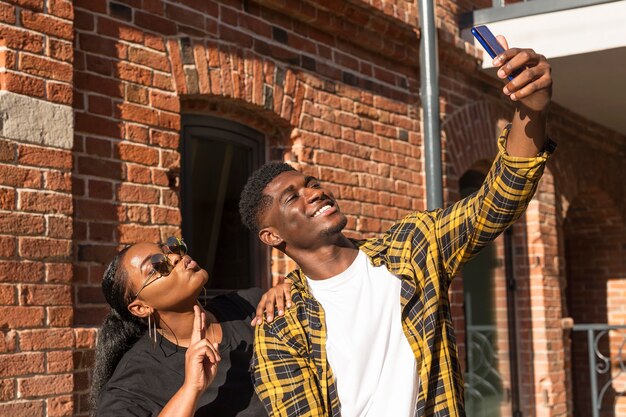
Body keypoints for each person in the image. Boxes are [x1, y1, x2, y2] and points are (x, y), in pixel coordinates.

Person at [240, 37, 556, 417]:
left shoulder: (411, 248)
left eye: (311, 183)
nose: (315, 192)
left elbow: (496, 202)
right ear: (272, 236)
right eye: (293, 198)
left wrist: (530, 111)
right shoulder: (280, 326)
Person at [90, 237, 291, 417]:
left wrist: (296, 290)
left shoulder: (249, 305)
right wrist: (191, 389)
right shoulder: (133, 383)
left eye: (170, 249)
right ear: (141, 308)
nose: (175, 258)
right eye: (155, 266)